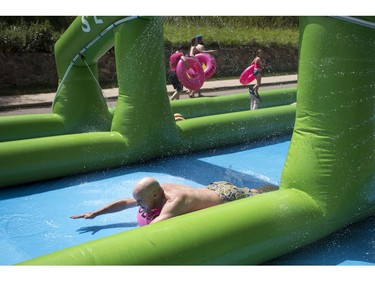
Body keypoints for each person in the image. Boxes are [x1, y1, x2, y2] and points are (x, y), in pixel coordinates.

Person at [71, 177, 278, 224]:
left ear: (154, 195)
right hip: (211, 187)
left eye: (140, 201)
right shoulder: (155, 191)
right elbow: (125, 202)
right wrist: (96, 212)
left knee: (257, 194)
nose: (138, 204)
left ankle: (275, 189)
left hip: (226, 194)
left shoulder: (174, 202)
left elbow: (153, 229)